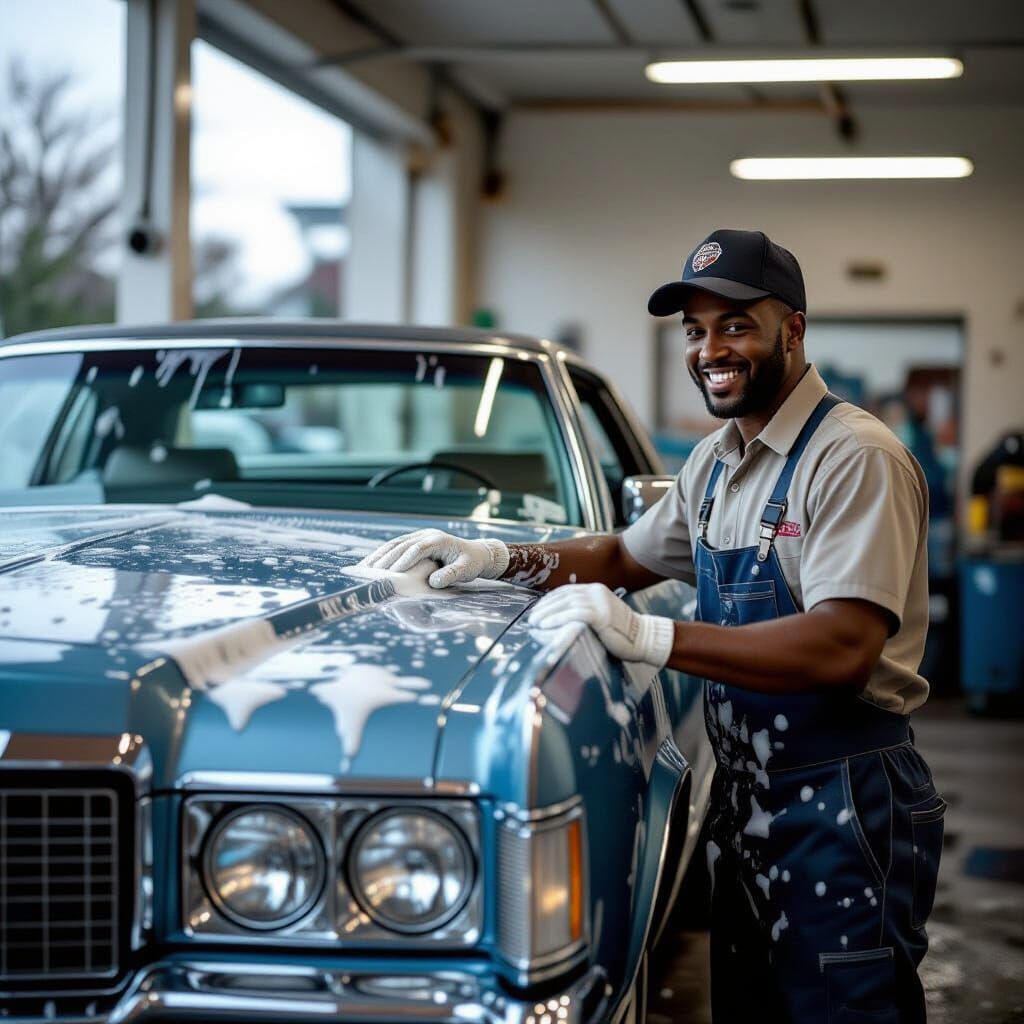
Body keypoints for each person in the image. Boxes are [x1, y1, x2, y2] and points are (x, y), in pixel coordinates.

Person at [363, 228, 944, 1023]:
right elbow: (620, 558)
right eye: (695, 331)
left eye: (736, 325)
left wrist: (651, 640)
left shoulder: (853, 457)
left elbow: (843, 646)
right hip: (748, 811)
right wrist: (496, 556)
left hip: (844, 805)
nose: (711, 349)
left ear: (793, 329)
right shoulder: (715, 463)